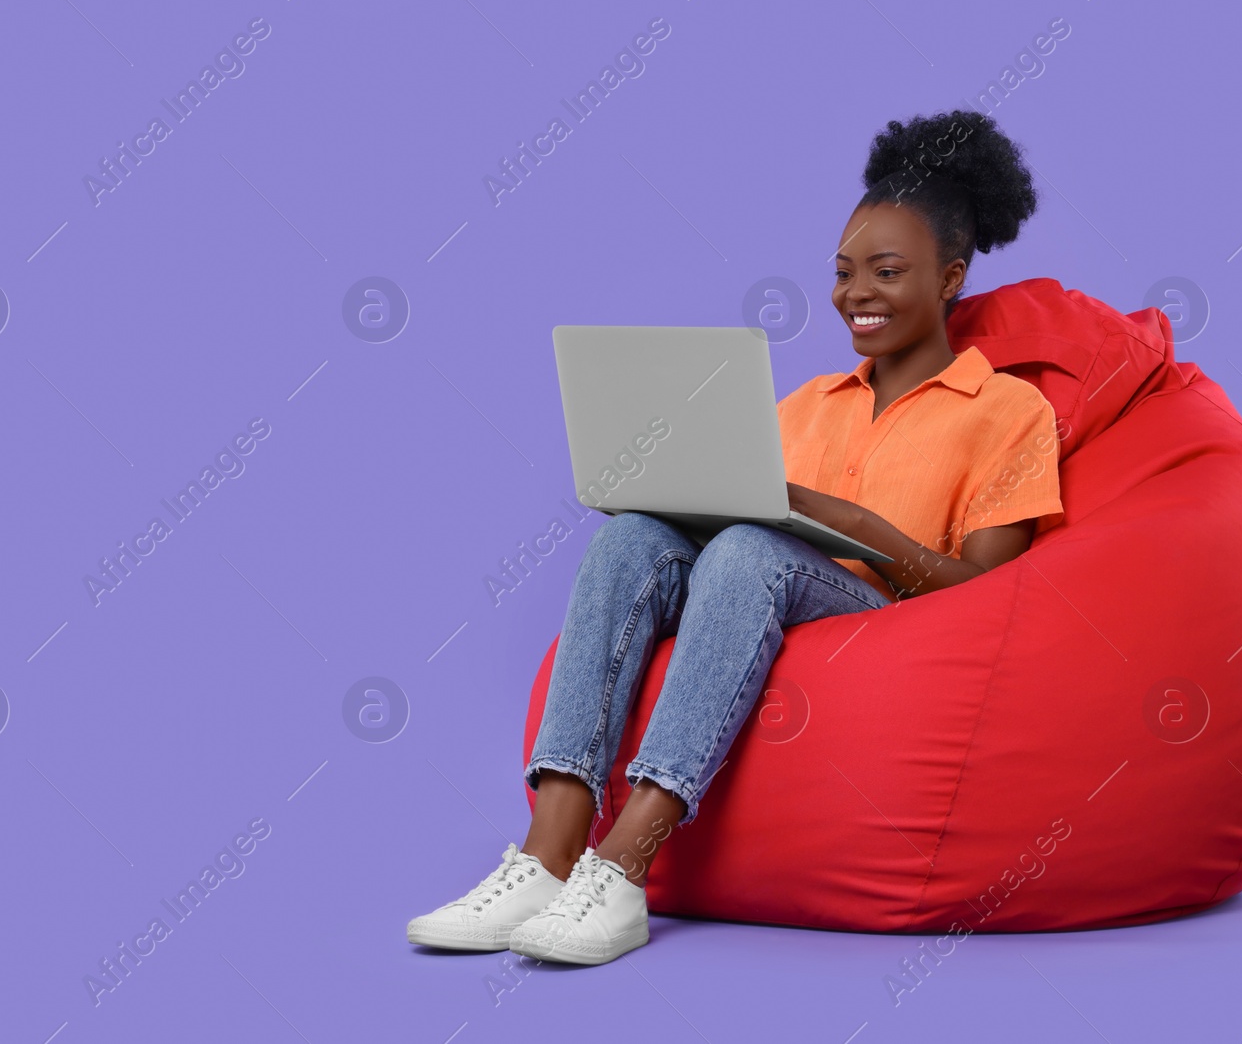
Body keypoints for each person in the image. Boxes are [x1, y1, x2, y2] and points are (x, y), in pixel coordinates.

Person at [407, 109, 1065, 966]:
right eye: (842, 272)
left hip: (882, 613)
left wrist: (853, 525)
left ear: (949, 279)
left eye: (887, 271)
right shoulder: (805, 404)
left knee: (752, 551)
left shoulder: (1009, 410)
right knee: (634, 535)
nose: (855, 293)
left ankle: (624, 866)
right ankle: (548, 850)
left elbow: (990, 586)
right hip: (755, 588)